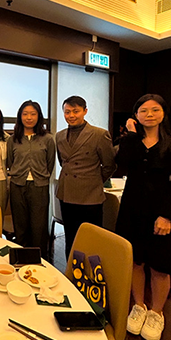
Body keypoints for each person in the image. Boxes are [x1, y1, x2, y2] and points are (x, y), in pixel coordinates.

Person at [116, 93, 171, 340]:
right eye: (143, 110)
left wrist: (165, 215)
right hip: (131, 209)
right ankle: (139, 305)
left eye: (155, 110)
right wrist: (132, 135)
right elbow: (121, 163)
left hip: (160, 212)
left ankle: (157, 312)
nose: (149, 115)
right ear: (136, 115)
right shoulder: (131, 141)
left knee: (159, 265)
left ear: (163, 113)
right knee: (136, 261)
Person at [56, 95, 116, 260]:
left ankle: (92, 272)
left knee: (91, 238)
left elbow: (109, 165)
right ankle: (71, 269)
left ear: (85, 111)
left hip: (90, 196)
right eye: (67, 112)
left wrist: (93, 180)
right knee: (70, 235)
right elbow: (63, 163)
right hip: (66, 193)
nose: (71, 115)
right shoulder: (59, 136)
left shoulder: (99, 134)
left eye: (76, 111)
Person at [7, 100, 55, 259]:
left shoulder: (47, 139)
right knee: (20, 225)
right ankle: (21, 259)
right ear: (20, 116)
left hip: (39, 186)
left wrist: (40, 176)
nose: (29, 117)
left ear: (39, 116)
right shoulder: (13, 139)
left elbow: (50, 163)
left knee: (38, 226)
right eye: (25, 114)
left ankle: (40, 260)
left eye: (33, 114)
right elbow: (10, 162)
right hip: (17, 185)